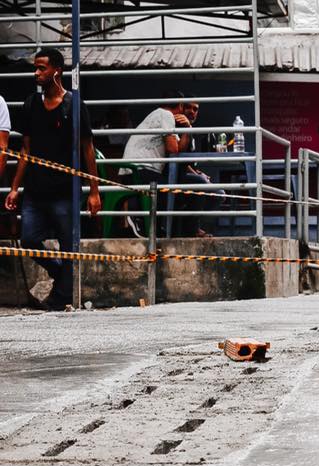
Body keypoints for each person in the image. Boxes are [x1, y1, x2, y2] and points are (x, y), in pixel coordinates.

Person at [4, 48, 101, 311]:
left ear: (56, 70)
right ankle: (60, 276)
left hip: (64, 191)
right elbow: (25, 149)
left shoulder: (73, 104)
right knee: (29, 240)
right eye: (35, 68)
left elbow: (87, 148)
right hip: (35, 190)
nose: (36, 73)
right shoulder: (31, 104)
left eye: (41, 68)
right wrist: (14, 188)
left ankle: (59, 299)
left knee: (68, 247)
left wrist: (94, 190)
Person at [122, 90, 191, 185]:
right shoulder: (166, 115)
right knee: (179, 190)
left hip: (131, 172)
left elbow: (179, 149)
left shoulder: (158, 115)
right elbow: (173, 151)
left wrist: (188, 128)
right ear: (180, 105)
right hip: (140, 171)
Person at [176, 97, 221, 237]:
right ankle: (192, 230)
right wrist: (197, 175)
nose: (192, 112)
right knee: (201, 184)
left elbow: (187, 163)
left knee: (219, 194)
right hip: (173, 177)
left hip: (187, 176)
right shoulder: (175, 128)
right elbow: (177, 160)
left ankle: (191, 225)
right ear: (181, 108)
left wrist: (198, 172)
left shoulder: (191, 131)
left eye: (195, 109)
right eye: (188, 107)